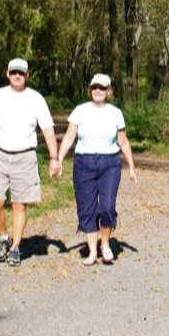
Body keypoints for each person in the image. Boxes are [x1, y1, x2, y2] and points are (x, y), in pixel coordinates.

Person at [0, 58, 61, 267]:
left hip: (25, 156)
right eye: (14, 72)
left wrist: (54, 157)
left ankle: (15, 247)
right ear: (7, 74)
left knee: (19, 204)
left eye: (21, 73)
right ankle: (3, 237)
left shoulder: (36, 99)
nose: (17, 76)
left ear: (27, 76)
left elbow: (48, 129)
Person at [56, 73, 137, 266]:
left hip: (110, 164)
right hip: (84, 163)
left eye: (102, 88)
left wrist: (132, 167)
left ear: (109, 91)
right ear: (90, 90)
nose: (98, 91)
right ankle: (92, 251)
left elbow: (123, 142)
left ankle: (106, 245)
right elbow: (68, 138)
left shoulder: (115, 113)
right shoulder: (80, 111)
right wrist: (58, 160)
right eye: (95, 88)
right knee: (87, 208)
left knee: (107, 206)